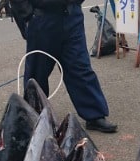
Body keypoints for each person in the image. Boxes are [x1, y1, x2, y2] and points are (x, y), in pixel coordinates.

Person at [10, 0, 118, 133]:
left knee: (80, 67)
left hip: (72, 15)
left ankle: (94, 115)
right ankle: (34, 118)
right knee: (37, 72)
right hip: (41, 17)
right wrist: (27, 15)